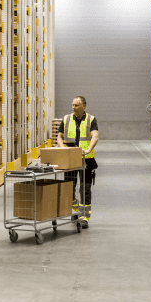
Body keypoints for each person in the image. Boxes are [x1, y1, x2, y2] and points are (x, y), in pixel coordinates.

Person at [57, 96, 99, 228]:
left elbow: (95, 136)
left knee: (85, 189)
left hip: (86, 159)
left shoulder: (91, 119)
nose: (73, 108)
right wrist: (62, 148)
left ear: (84, 106)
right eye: (72, 105)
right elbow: (59, 136)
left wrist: (88, 149)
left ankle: (85, 217)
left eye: (76, 105)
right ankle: (75, 210)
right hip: (70, 159)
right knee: (69, 187)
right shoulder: (67, 119)